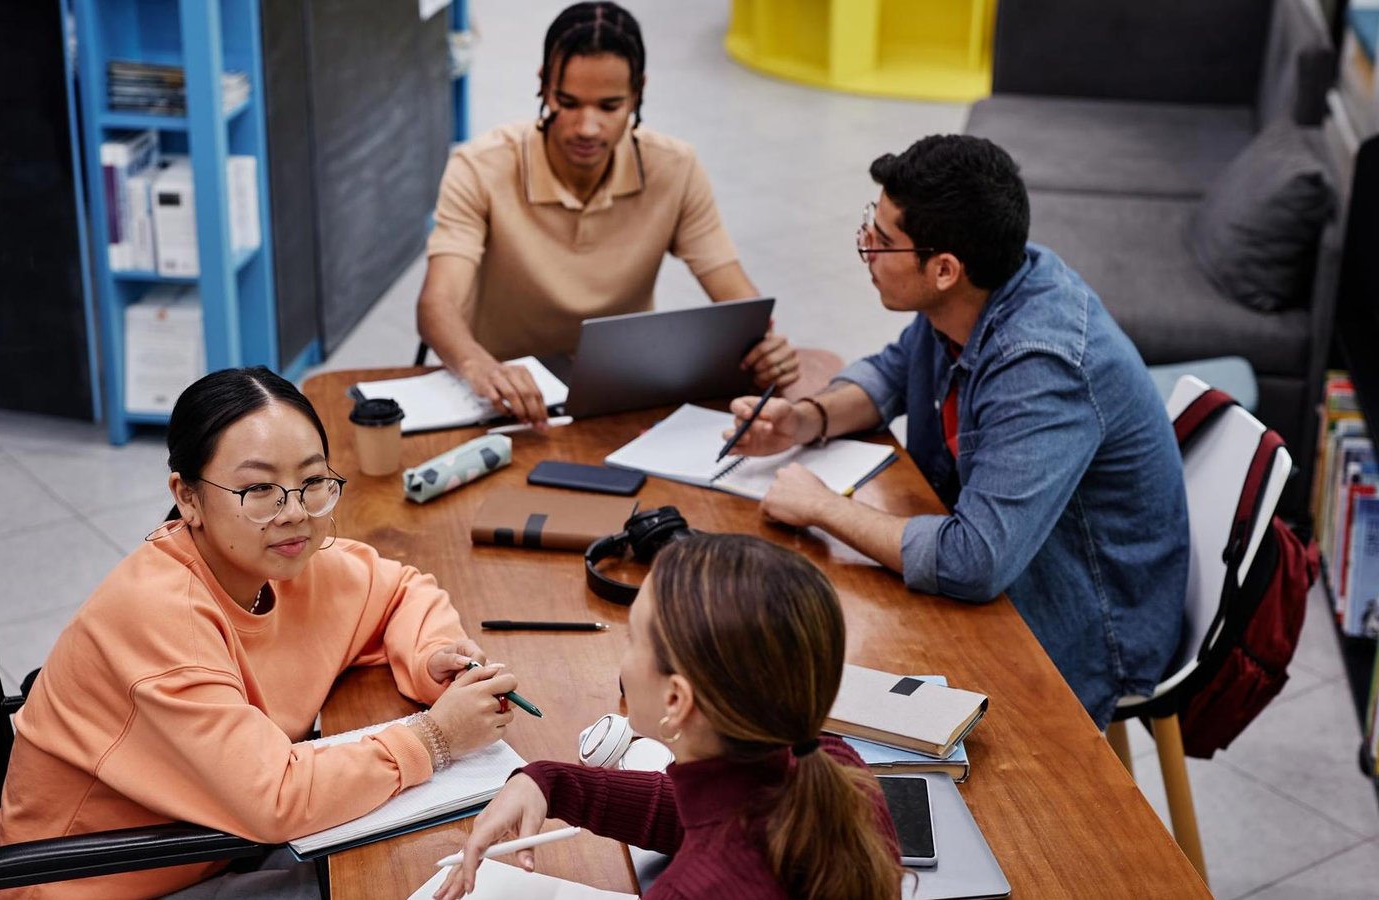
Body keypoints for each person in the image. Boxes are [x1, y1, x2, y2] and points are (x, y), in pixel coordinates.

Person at [0, 367, 521, 899]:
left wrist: (431, 657)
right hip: (99, 885)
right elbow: (277, 800)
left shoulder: (273, 559)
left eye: (313, 483)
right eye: (259, 489)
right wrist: (434, 739)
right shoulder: (160, 616)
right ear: (188, 497)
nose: (294, 514)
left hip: (215, 842)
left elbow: (401, 590)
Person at [727, 135, 1189, 729]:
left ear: (944, 270)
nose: (865, 245)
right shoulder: (990, 278)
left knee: (811, 666)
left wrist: (824, 507)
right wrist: (806, 419)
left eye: (884, 239)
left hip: (1082, 625)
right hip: (1018, 572)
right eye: (872, 222)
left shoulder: (1041, 365)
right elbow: (895, 370)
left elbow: (974, 561)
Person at [435, 534, 903, 900]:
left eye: (633, 639)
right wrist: (548, 784)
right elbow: (699, 816)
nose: (623, 655)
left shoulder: (693, 889)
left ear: (676, 700)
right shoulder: (837, 768)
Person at [417, 1, 800, 428]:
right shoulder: (479, 167)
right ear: (543, 88)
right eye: (568, 102)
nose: (587, 127)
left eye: (610, 106)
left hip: (621, 394)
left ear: (639, 92)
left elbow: (738, 299)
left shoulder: (674, 167)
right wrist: (481, 369)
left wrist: (766, 349)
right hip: (505, 399)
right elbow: (438, 303)